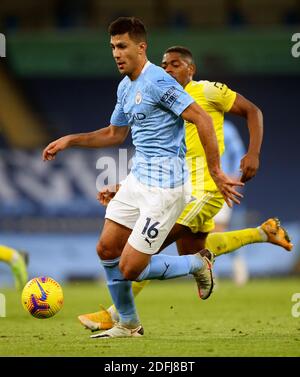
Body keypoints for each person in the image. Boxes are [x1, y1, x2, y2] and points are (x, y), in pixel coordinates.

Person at [43, 17, 244, 339]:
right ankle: (128, 325)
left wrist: (217, 171)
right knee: (106, 250)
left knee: (130, 268)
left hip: (165, 190)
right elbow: (114, 133)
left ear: (141, 47)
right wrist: (70, 140)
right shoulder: (125, 87)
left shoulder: (160, 82)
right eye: (112, 47)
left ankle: (197, 264)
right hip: (138, 181)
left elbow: (202, 119)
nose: (116, 54)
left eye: (122, 46)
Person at [78, 45, 293, 332]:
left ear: (191, 69)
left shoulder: (209, 91)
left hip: (204, 190)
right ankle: (262, 232)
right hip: (175, 186)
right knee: (193, 251)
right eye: (165, 65)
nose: (168, 69)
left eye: (176, 64)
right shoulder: (161, 99)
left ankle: (118, 314)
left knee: (142, 251)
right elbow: (157, 155)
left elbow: (253, 111)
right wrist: (125, 186)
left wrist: (253, 153)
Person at [213, 120, 249, 285]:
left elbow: (239, 153)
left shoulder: (226, 128)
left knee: (217, 230)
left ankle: (236, 266)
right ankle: (209, 272)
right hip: (197, 186)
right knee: (202, 232)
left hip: (222, 186)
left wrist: (235, 177)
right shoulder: (192, 123)